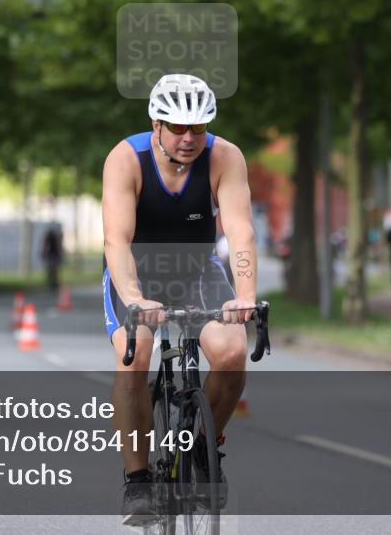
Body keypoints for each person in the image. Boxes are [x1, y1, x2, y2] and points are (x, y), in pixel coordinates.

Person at [101, 74, 258, 524]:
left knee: (231, 352)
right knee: (136, 356)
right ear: (156, 123)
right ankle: (137, 480)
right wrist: (133, 297)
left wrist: (245, 295)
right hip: (136, 270)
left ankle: (206, 449)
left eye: (199, 128)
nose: (189, 138)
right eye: (177, 127)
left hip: (196, 270)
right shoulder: (126, 158)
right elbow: (117, 241)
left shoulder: (224, 157)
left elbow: (241, 232)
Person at [41, 224, 64, 290]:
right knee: (52, 269)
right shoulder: (50, 237)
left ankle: (54, 282)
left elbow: (58, 246)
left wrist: (44, 253)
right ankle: (52, 282)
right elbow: (45, 246)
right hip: (52, 254)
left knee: (53, 269)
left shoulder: (53, 237)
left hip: (53, 254)